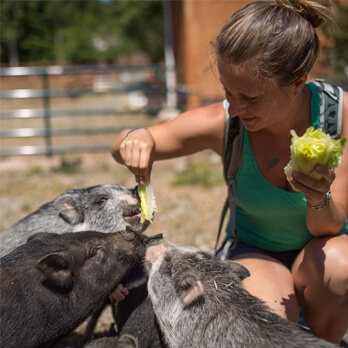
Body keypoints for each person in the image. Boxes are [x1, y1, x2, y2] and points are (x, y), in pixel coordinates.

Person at [111, 0, 348, 344]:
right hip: (256, 251)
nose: (235, 108)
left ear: (297, 83)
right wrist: (135, 139)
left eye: (251, 97)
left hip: (323, 251)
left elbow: (327, 227)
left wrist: (317, 198)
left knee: (341, 265)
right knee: (262, 325)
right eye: (227, 91)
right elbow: (124, 144)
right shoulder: (225, 122)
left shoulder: (337, 118)